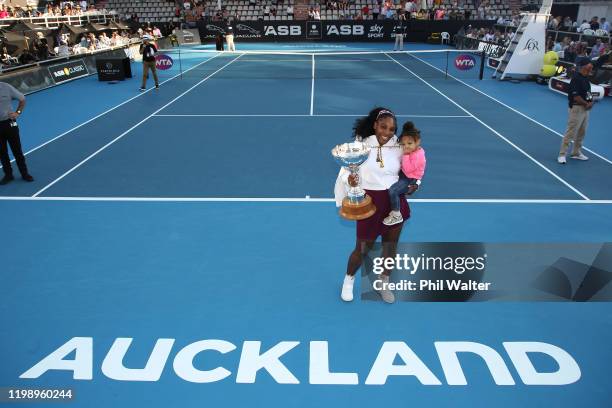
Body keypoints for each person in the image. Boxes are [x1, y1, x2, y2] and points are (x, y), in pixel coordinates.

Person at [335, 107, 418, 304]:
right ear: (375, 125)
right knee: (362, 248)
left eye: (391, 129)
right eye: (383, 127)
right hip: (369, 204)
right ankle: (349, 280)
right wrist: (350, 183)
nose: (387, 133)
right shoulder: (360, 145)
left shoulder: (399, 146)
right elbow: (346, 172)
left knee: (390, 248)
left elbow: (411, 168)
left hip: (394, 204)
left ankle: (383, 282)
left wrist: (413, 185)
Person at [383, 122, 425, 226]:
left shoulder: (418, 156)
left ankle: (397, 214)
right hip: (404, 173)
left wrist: (405, 155)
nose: (406, 146)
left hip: (410, 178)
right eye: (403, 144)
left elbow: (408, 168)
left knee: (393, 190)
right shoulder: (412, 149)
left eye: (409, 143)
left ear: (418, 142)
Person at [557, 58, 594, 164]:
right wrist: (586, 104)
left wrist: (591, 102)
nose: (591, 66)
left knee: (582, 132)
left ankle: (576, 153)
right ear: (584, 66)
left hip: (585, 110)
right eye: (589, 64)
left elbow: (588, 92)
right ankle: (562, 154)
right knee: (571, 132)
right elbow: (575, 97)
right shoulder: (576, 79)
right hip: (577, 109)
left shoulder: (586, 78)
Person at [0, 82, 33, 185]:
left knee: (17, 150)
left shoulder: (6, 87)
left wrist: (17, 113)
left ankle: (24, 173)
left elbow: (22, 99)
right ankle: (8, 175)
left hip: (10, 122)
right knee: (2, 152)